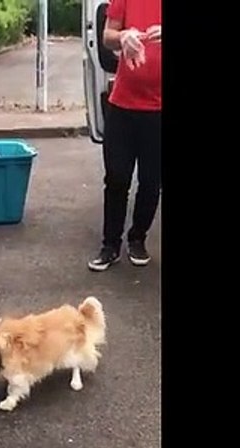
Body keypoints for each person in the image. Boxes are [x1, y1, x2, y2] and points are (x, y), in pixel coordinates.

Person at [88, 0, 162, 272]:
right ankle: (110, 246)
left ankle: (138, 238)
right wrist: (123, 36)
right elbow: (107, 36)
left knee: (152, 181)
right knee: (117, 177)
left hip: (159, 111)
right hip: (123, 106)